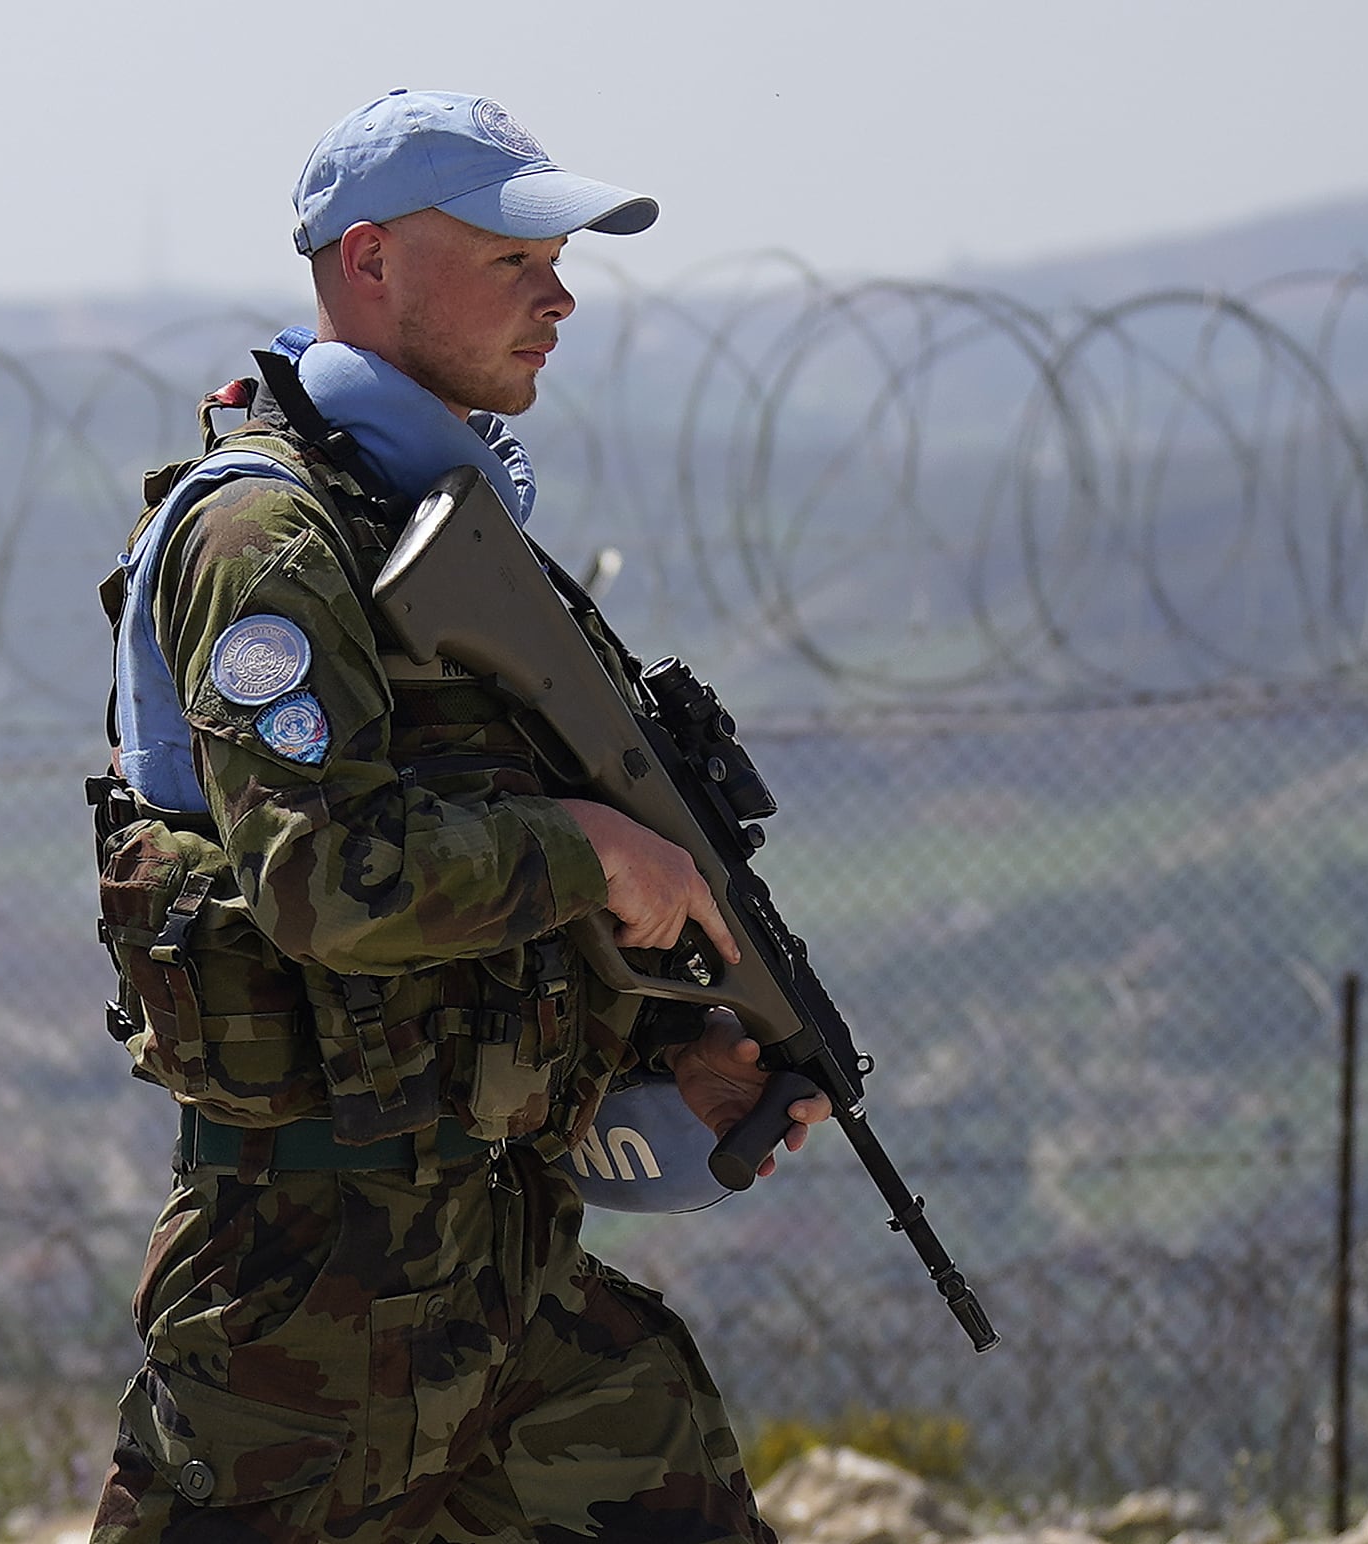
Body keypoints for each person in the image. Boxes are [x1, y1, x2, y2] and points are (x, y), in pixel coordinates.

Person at [88, 89, 828, 1544]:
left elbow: (477, 924)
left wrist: (671, 1057)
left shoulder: (434, 524)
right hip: (306, 1310)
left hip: (506, 1276)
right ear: (368, 262)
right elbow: (321, 883)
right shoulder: (267, 537)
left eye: (558, 264)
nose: (557, 299)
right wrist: (596, 854)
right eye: (511, 260)